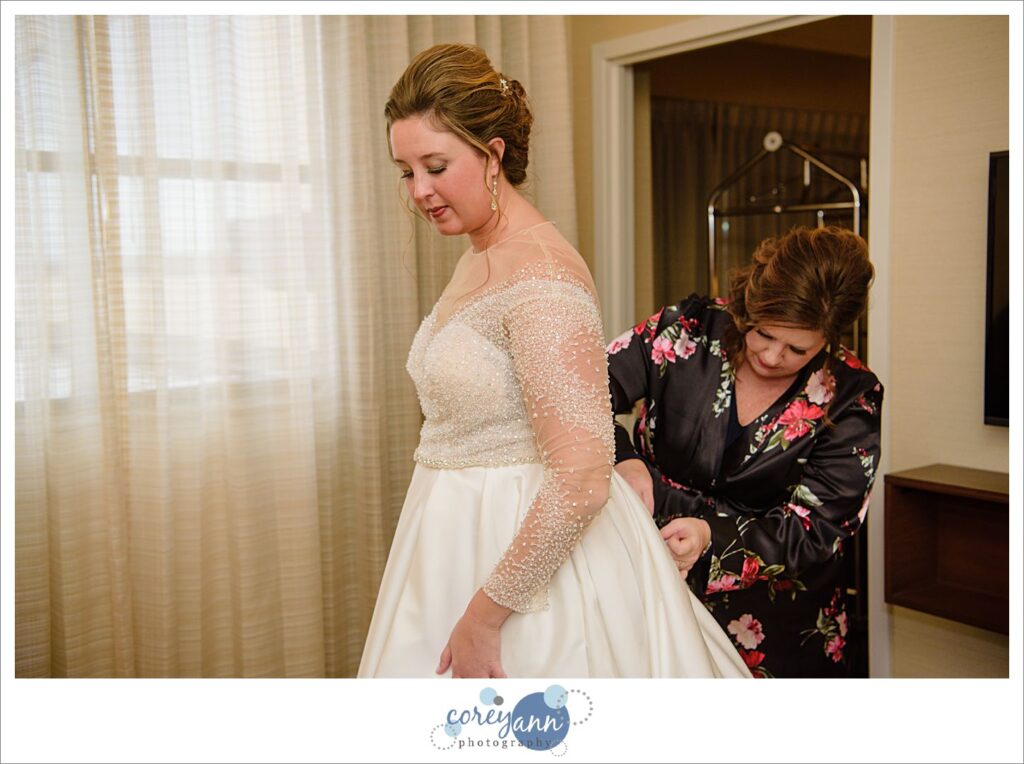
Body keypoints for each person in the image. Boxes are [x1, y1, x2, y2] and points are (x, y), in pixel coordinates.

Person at [357, 43, 749, 678]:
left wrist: (485, 616)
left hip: (524, 568)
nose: (420, 191)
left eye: (436, 166)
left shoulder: (540, 273)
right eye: (407, 172)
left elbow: (582, 477)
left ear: (492, 155)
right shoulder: (481, 254)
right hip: (456, 537)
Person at [607, 226, 883, 678]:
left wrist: (710, 537)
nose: (772, 356)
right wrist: (625, 458)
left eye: (797, 348)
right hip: (646, 578)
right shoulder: (688, 330)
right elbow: (579, 391)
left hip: (774, 624)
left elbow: (817, 531)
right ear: (750, 305)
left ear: (830, 337)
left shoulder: (852, 396)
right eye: (763, 333)